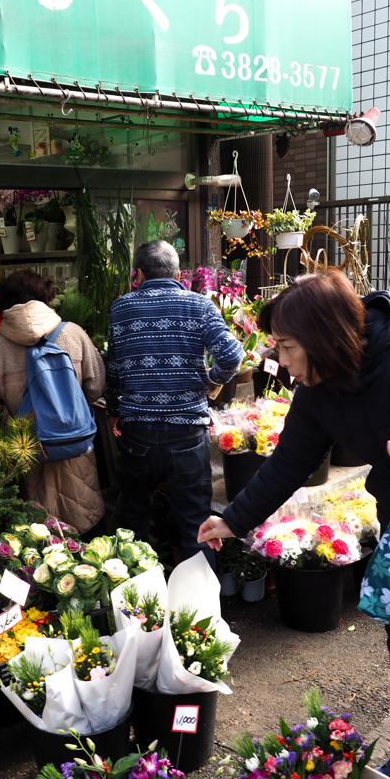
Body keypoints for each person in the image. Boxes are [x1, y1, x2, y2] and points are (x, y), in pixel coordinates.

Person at [197, 268, 390, 779]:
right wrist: (231, 519)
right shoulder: (318, 391)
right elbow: (286, 464)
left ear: (323, 337)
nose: (280, 357)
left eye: (286, 345)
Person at [105, 239, 243, 561]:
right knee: (197, 524)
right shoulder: (198, 305)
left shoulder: (121, 308)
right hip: (186, 435)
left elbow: (112, 369)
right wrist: (212, 380)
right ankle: (198, 608)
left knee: (134, 521)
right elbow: (232, 355)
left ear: (137, 273)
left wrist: (113, 411)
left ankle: (135, 603)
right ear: (178, 272)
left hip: (137, 432)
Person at [0, 269, 105, 533]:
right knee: (85, 537)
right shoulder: (74, 334)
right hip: (75, 448)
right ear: (47, 297)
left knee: (33, 537)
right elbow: (96, 387)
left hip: (25, 454)